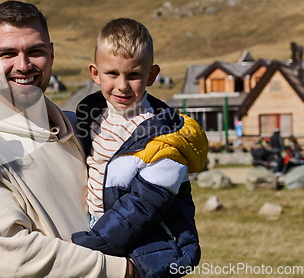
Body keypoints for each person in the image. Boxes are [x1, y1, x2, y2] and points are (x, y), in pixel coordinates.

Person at [0, 1, 135, 277]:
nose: (23, 65)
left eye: (35, 51)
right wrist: (125, 270)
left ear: (52, 54)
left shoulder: (77, 125)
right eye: (7, 54)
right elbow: (17, 258)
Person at [71, 18, 208, 278]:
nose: (122, 85)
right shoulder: (92, 115)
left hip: (145, 244)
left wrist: (92, 243)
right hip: (101, 230)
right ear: (95, 73)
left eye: (134, 75)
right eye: (112, 73)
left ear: (152, 75)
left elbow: (142, 207)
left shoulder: (165, 138)